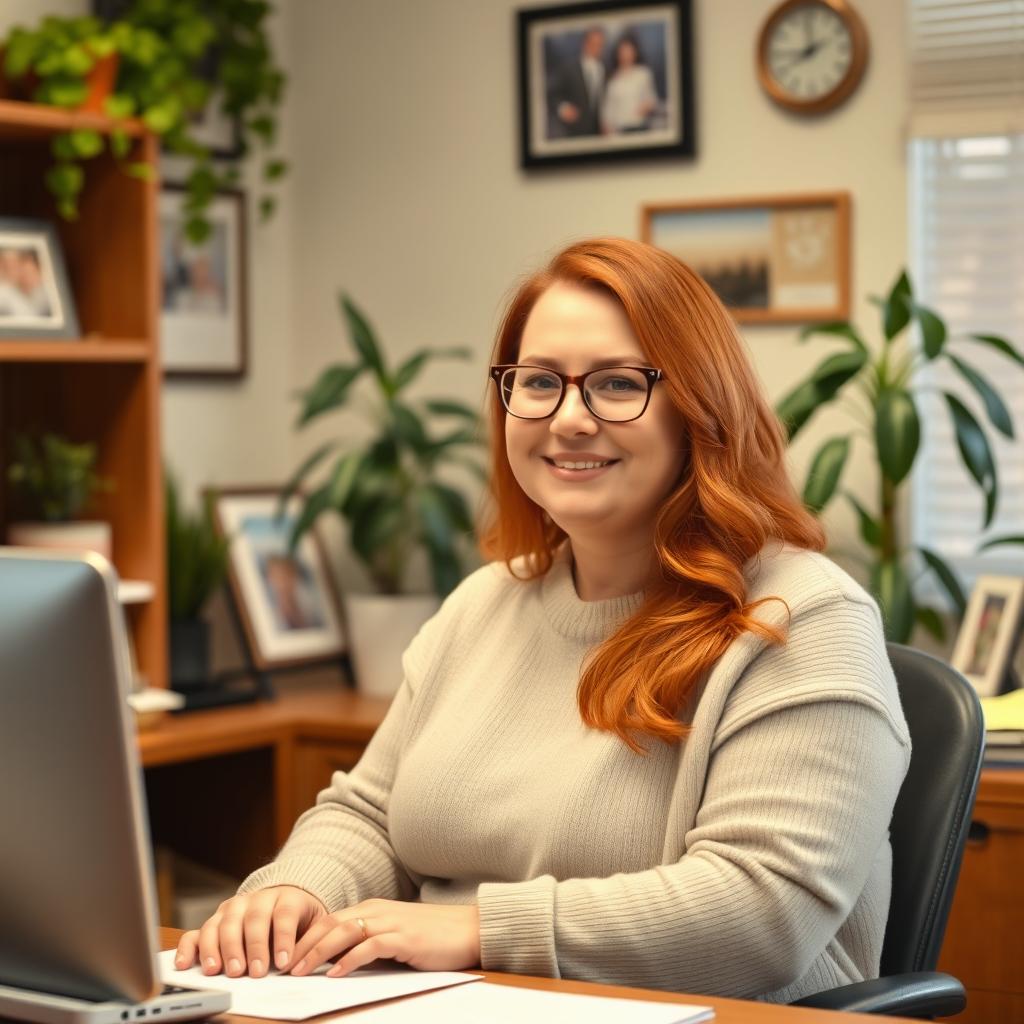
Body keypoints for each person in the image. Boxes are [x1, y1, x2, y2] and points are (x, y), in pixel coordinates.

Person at [174, 238, 911, 1002]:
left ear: (701, 406)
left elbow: (761, 914)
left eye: (618, 384)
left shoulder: (803, 620)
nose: (568, 419)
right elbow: (369, 813)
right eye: (538, 383)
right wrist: (296, 894)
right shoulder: (482, 605)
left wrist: (478, 931)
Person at [547, 26, 607, 138]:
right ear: (585, 43)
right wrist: (563, 108)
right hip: (573, 132)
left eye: (600, 45)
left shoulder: (605, 69)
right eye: (593, 44)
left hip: (598, 134)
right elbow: (552, 93)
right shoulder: (568, 68)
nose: (596, 48)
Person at [601, 32, 659, 134]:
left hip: (639, 127)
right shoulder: (611, 78)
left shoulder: (643, 73)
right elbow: (607, 107)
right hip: (618, 130)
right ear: (618, 53)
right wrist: (606, 126)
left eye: (629, 51)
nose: (626, 54)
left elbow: (653, 100)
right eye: (623, 51)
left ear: (635, 52)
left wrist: (647, 106)